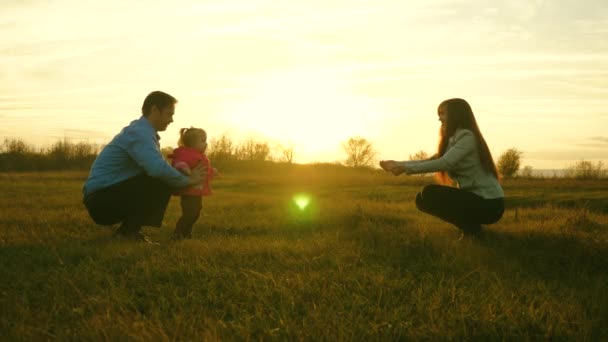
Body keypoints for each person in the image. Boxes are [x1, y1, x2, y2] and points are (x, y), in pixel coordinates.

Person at [82, 91, 204, 243]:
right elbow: (157, 169)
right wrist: (188, 181)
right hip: (101, 200)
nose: (171, 120)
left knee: (162, 177)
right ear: (154, 110)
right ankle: (129, 232)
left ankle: (128, 232)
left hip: (102, 196)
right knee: (160, 179)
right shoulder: (140, 133)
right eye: (169, 114)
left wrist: (181, 176)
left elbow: (159, 166)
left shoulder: (142, 132)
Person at [380, 98, 504, 237]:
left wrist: (403, 168)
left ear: (456, 115)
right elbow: (429, 161)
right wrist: (398, 164)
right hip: (476, 200)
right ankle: (471, 229)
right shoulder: (453, 140)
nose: (439, 118)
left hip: (490, 204)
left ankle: (471, 230)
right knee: (421, 200)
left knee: (429, 193)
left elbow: (444, 163)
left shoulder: (467, 137)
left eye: (443, 113)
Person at [168, 127, 217, 240]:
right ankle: (178, 234)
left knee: (195, 213)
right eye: (203, 140)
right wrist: (184, 168)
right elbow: (178, 162)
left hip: (196, 191)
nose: (206, 143)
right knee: (189, 213)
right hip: (189, 191)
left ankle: (186, 233)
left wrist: (212, 171)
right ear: (192, 143)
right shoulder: (187, 154)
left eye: (206, 140)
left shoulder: (199, 155)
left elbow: (202, 169)